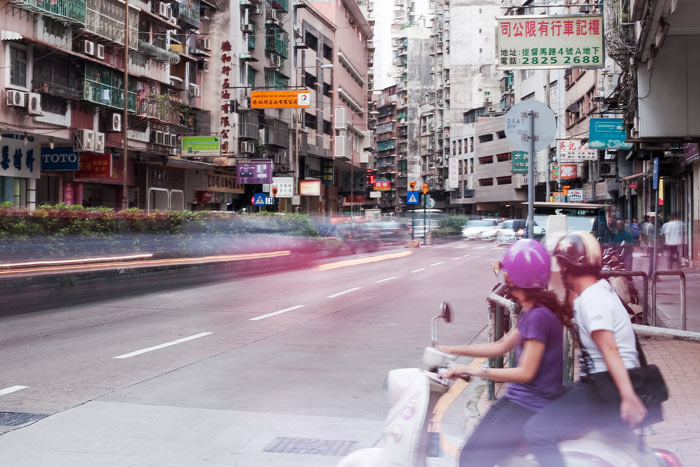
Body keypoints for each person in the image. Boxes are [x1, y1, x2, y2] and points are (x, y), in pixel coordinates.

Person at [438, 240, 572, 467]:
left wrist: (473, 370)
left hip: (529, 405)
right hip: (518, 399)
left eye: (506, 274)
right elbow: (500, 346)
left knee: (472, 460)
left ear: (514, 279)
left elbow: (525, 372)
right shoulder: (533, 311)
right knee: (469, 454)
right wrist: (449, 350)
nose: (503, 278)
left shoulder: (539, 316)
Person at [523, 232, 647, 467]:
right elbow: (569, 312)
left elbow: (609, 348)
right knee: (549, 403)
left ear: (569, 266)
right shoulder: (595, 291)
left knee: (537, 431)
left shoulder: (592, 301)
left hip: (605, 387)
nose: (558, 271)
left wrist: (627, 396)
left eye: (560, 265)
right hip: (598, 383)